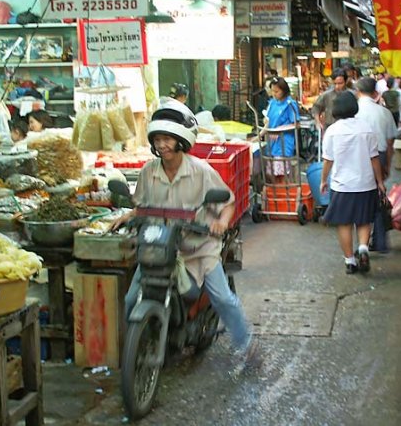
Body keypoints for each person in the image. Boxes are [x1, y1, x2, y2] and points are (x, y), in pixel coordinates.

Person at [115, 100, 257, 364]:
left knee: (223, 298)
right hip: (159, 248)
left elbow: (227, 202)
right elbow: (141, 205)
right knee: (131, 298)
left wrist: (221, 223)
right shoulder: (148, 171)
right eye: (158, 140)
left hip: (198, 248)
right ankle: (141, 347)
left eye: (167, 139)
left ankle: (246, 345)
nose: (162, 145)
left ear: (180, 140)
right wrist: (128, 214)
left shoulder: (201, 171)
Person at [321, 92, 385, 274]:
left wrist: (323, 180)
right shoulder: (366, 128)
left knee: (344, 223)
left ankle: (350, 261)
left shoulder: (332, 131)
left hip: (342, 185)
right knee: (364, 219)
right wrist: (379, 181)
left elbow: (328, 160)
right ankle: (363, 247)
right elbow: (374, 158)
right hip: (366, 183)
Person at [355, 76, 397, 254]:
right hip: (378, 156)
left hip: (357, 158)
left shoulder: (354, 111)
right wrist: (386, 164)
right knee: (378, 197)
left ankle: (361, 242)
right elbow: (389, 143)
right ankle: (380, 242)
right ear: (375, 92)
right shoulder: (384, 112)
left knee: (360, 198)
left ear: (358, 91)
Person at [260, 77, 300, 182]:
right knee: (270, 173)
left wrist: (279, 129)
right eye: (272, 91)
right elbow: (268, 122)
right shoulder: (272, 103)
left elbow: (296, 124)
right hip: (271, 142)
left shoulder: (290, 104)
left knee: (281, 173)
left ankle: (283, 194)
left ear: (284, 90)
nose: (274, 94)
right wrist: (259, 135)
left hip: (284, 142)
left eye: (277, 91)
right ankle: (276, 194)